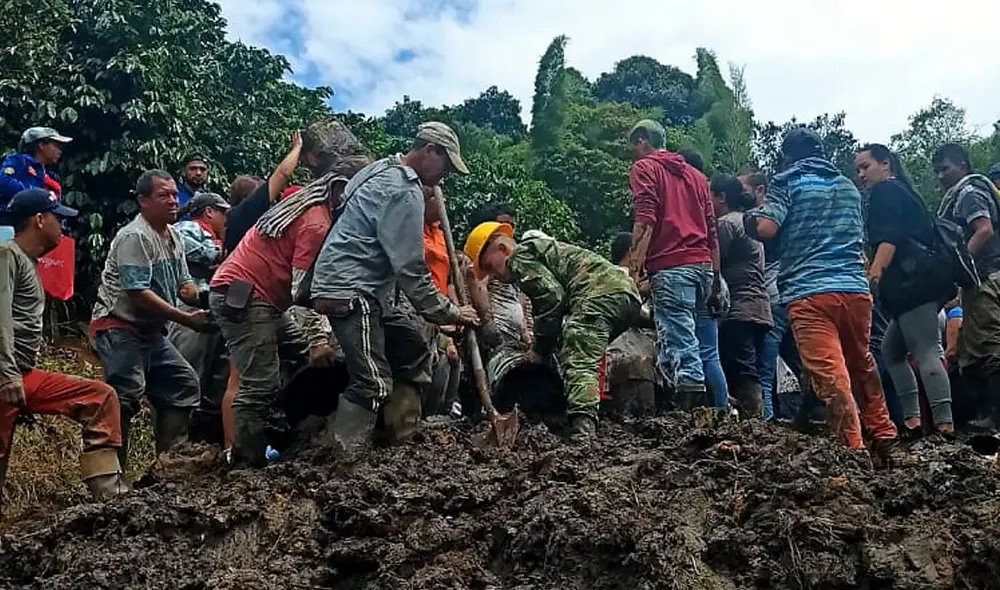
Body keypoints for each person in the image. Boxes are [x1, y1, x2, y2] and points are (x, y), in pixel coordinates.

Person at [310, 122, 479, 453]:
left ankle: (400, 436)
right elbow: (411, 270)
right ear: (430, 150)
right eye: (445, 165)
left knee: (412, 345)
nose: (445, 177)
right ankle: (343, 457)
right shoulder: (404, 191)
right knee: (372, 382)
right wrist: (452, 311)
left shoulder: (380, 169)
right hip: (352, 291)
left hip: (365, 289)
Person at [210, 119, 370, 467]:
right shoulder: (316, 222)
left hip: (262, 297)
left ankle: (284, 434)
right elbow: (305, 289)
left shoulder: (318, 208)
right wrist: (321, 333)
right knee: (259, 384)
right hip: (246, 296)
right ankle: (244, 462)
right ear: (342, 189)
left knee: (303, 354)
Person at [745, 128, 897, 453]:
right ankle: (883, 435)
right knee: (861, 364)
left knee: (830, 374)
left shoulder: (786, 182)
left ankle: (852, 450)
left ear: (787, 157)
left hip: (810, 292)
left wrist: (748, 218)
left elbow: (766, 228)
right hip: (854, 290)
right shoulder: (848, 187)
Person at [0, 189, 128, 502]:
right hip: (8, 376)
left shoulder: (27, 262)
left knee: (100, 398)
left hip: (22, 373)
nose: (63, 227)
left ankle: (110, 501)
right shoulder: (7, 256)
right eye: (58, 218)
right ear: (39, 220)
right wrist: (7, 374)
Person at [465, 223, 641, 439]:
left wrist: (540, 348)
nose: (494, 275)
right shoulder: (543, 251)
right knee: (575, 349)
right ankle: (573, 414)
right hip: (625, 295)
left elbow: (551, 298)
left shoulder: (520, 257)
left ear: (502, 249)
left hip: (599, 294)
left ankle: (583, 429)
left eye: (490, 266)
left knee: (579, 359)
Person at [90, 170, 211, 469]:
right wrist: (186, 318)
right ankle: (110, 478)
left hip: (151, 332)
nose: (173, 201)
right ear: (143, 201)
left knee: (182, 384)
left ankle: (168, 467)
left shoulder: (173, 237)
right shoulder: (135, 236)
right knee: (124, 396)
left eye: (173, 194)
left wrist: (208, 298)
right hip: (119, 326)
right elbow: (137, 293)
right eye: (163, 195)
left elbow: (185, 286)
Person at [856, 144, 955, 436]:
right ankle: (913, 421)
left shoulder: (886, 191)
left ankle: (944, 424)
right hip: (914, 287)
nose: (861, 175)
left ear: (886, 164)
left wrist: (874, 275)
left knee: (926, 350)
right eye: (858, 170)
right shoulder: (904, 192)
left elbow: (890, 238)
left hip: (915, 286)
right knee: (892, 351)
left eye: (865, 167)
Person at [624, 119, 721, 409]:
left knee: (680, 346)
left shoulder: (645, 168)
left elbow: (645, 220)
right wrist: (716, 279)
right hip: (703, 268)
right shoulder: (697, 177)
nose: (632, 152)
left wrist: (632, 272)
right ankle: (714, 413)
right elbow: (711, 229)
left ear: (642, 141)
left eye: (633, 145)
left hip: (672, 268)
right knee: (703, 349)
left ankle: (689, 419)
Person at [933, 143, 1000, 429]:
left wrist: (960, 265)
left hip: (986, 277)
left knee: (989, 344)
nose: (940, 176)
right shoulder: (968, 192)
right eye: (937, 170)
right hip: (983, 277)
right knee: (971, 349)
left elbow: (983, 229)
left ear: (962, 165)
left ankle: (995, 416)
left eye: (945, 168)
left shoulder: (969, 193)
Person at [167, 192, 231, 444]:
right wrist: (218, 254)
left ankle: (198, 436)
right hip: (187, 311)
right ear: (209, 212)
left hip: (208, 311)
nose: (225, 220)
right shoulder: (186, 228)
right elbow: (182, 245)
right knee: (188, 371)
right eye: (223, 213)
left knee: (209, 374)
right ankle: (177, 441)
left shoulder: (213, 236)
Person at [711, 174, 772, 417]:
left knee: (743, 369)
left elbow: (715, 262)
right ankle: (755, 422)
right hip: (760, 308)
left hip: (739, 308)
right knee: (752, 367)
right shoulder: (750, 222)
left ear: (722, 198)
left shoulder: (726, 224)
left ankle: (753, 423)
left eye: (710, 197)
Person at [224, 131, 304, 253]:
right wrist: (297, 147)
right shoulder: (245, 213)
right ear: (248, 197)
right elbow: (282, 175)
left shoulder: (233, 218)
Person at [0, 127, 72, 208]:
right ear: (41, 145)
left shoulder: (51, 177)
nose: (60, 151)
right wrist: (38, 195)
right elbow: (3, 182)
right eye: (56, 145)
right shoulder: (18, 161)